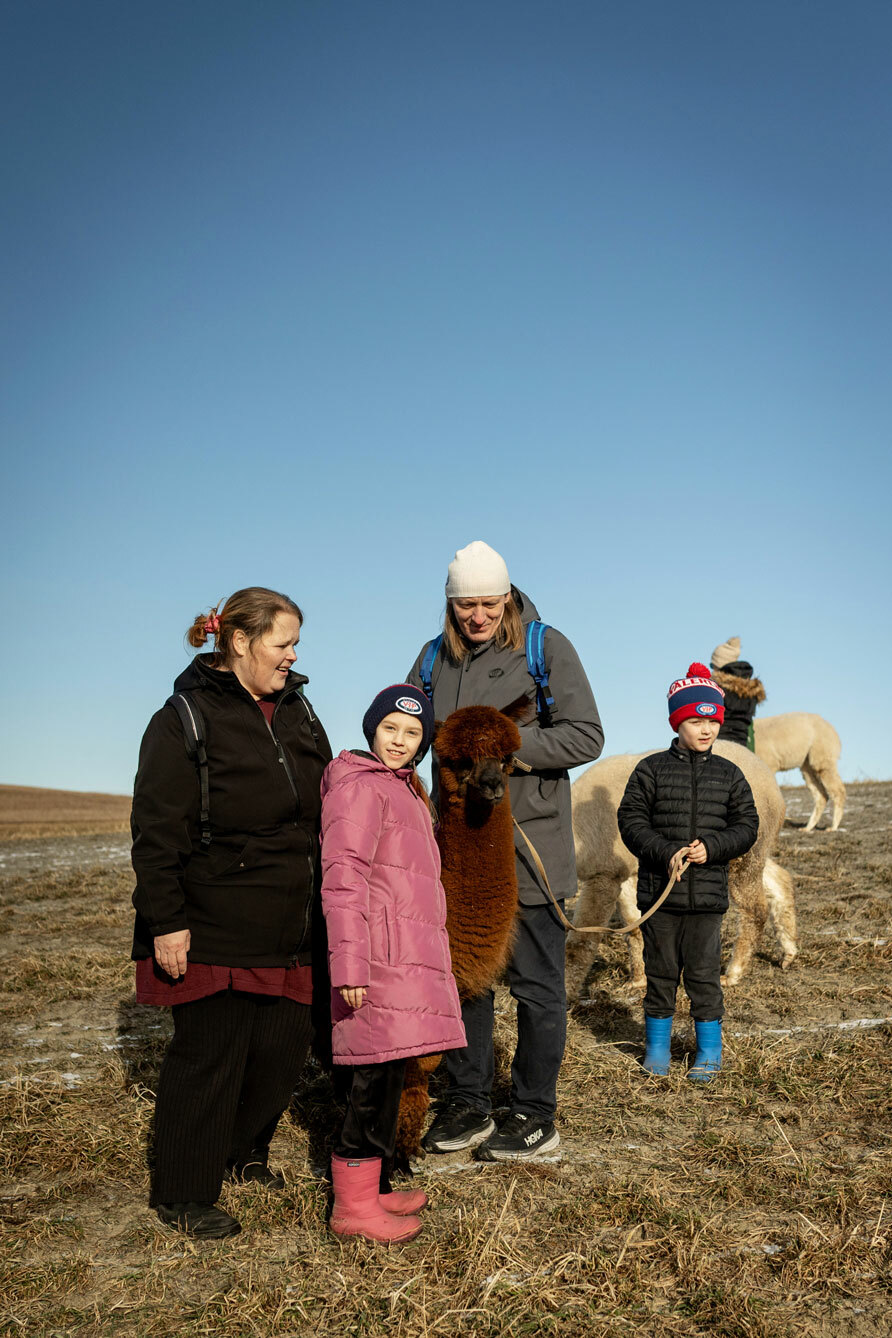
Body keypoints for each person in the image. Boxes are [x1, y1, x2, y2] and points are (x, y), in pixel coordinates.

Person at [131, 587, 332, 1239]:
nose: (293, 656)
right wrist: (166, 921)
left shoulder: (298, 709)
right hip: (212, 914)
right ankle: (184, 1192)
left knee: (282, 1049)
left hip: (293, 918)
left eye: (296, 643)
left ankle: (244, 1153)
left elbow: (328, 792)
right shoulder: (183, 718)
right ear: (240, 641)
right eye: (283, 643)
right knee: (211, 1054)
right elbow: (157, 831)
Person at [407, 541, 603, 1162]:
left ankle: (533, 1111)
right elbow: (411, 727)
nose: (478, 617)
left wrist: (506, 750)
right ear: (450, 604)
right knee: (464, 980)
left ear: (507, 597)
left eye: (489, 603)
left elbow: (586, 734)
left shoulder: (546, 648)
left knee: (539, 985)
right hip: (458, 854)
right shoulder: (433, 657)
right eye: (465, 605)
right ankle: (467, 1101)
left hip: (530, 846)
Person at [320, 684, 466, 1243]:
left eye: (412, 734)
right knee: (368, 1080)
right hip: (374, 962)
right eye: (390, 730)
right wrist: (350, 967)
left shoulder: (405, 790)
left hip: (401, 959)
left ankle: (374, 1189)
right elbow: (344, 879)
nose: (401, 742)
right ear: (371, 729)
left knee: (387, 1075)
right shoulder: (360, 789)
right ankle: (352, 1208)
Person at [617, 663, 759, 1081]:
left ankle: (709, 1051)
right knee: (659, 973)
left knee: (702, 975)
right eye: (695, 720)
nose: (705, 729)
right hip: (660, 894)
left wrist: (713, 848)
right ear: (676, 722)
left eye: (711, 720)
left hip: (708, 898)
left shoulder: (730, 774)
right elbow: (631, 821)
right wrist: (665, 851)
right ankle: (657, 1049)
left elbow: (747, 826)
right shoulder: (651, 770)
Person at [709, 636, 765, 750]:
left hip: (718, 746)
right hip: (743, 748)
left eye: (712, 665)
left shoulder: (716, 688)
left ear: (719, 665)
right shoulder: (751, 690)